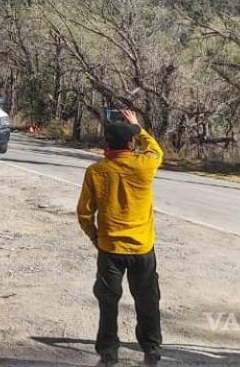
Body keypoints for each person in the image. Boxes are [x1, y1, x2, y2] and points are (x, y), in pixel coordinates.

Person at [77, 110, 164, 367]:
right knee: (148, 301)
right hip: (142, 248)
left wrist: (96, 237)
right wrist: (138, 127)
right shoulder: (145, 166)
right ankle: (152, 350)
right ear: (130, 144)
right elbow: (156, 150)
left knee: (108, 303)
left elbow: (84, 213)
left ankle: (108, 354)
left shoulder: (96, 171)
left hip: (110, 249)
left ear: (107, 144)